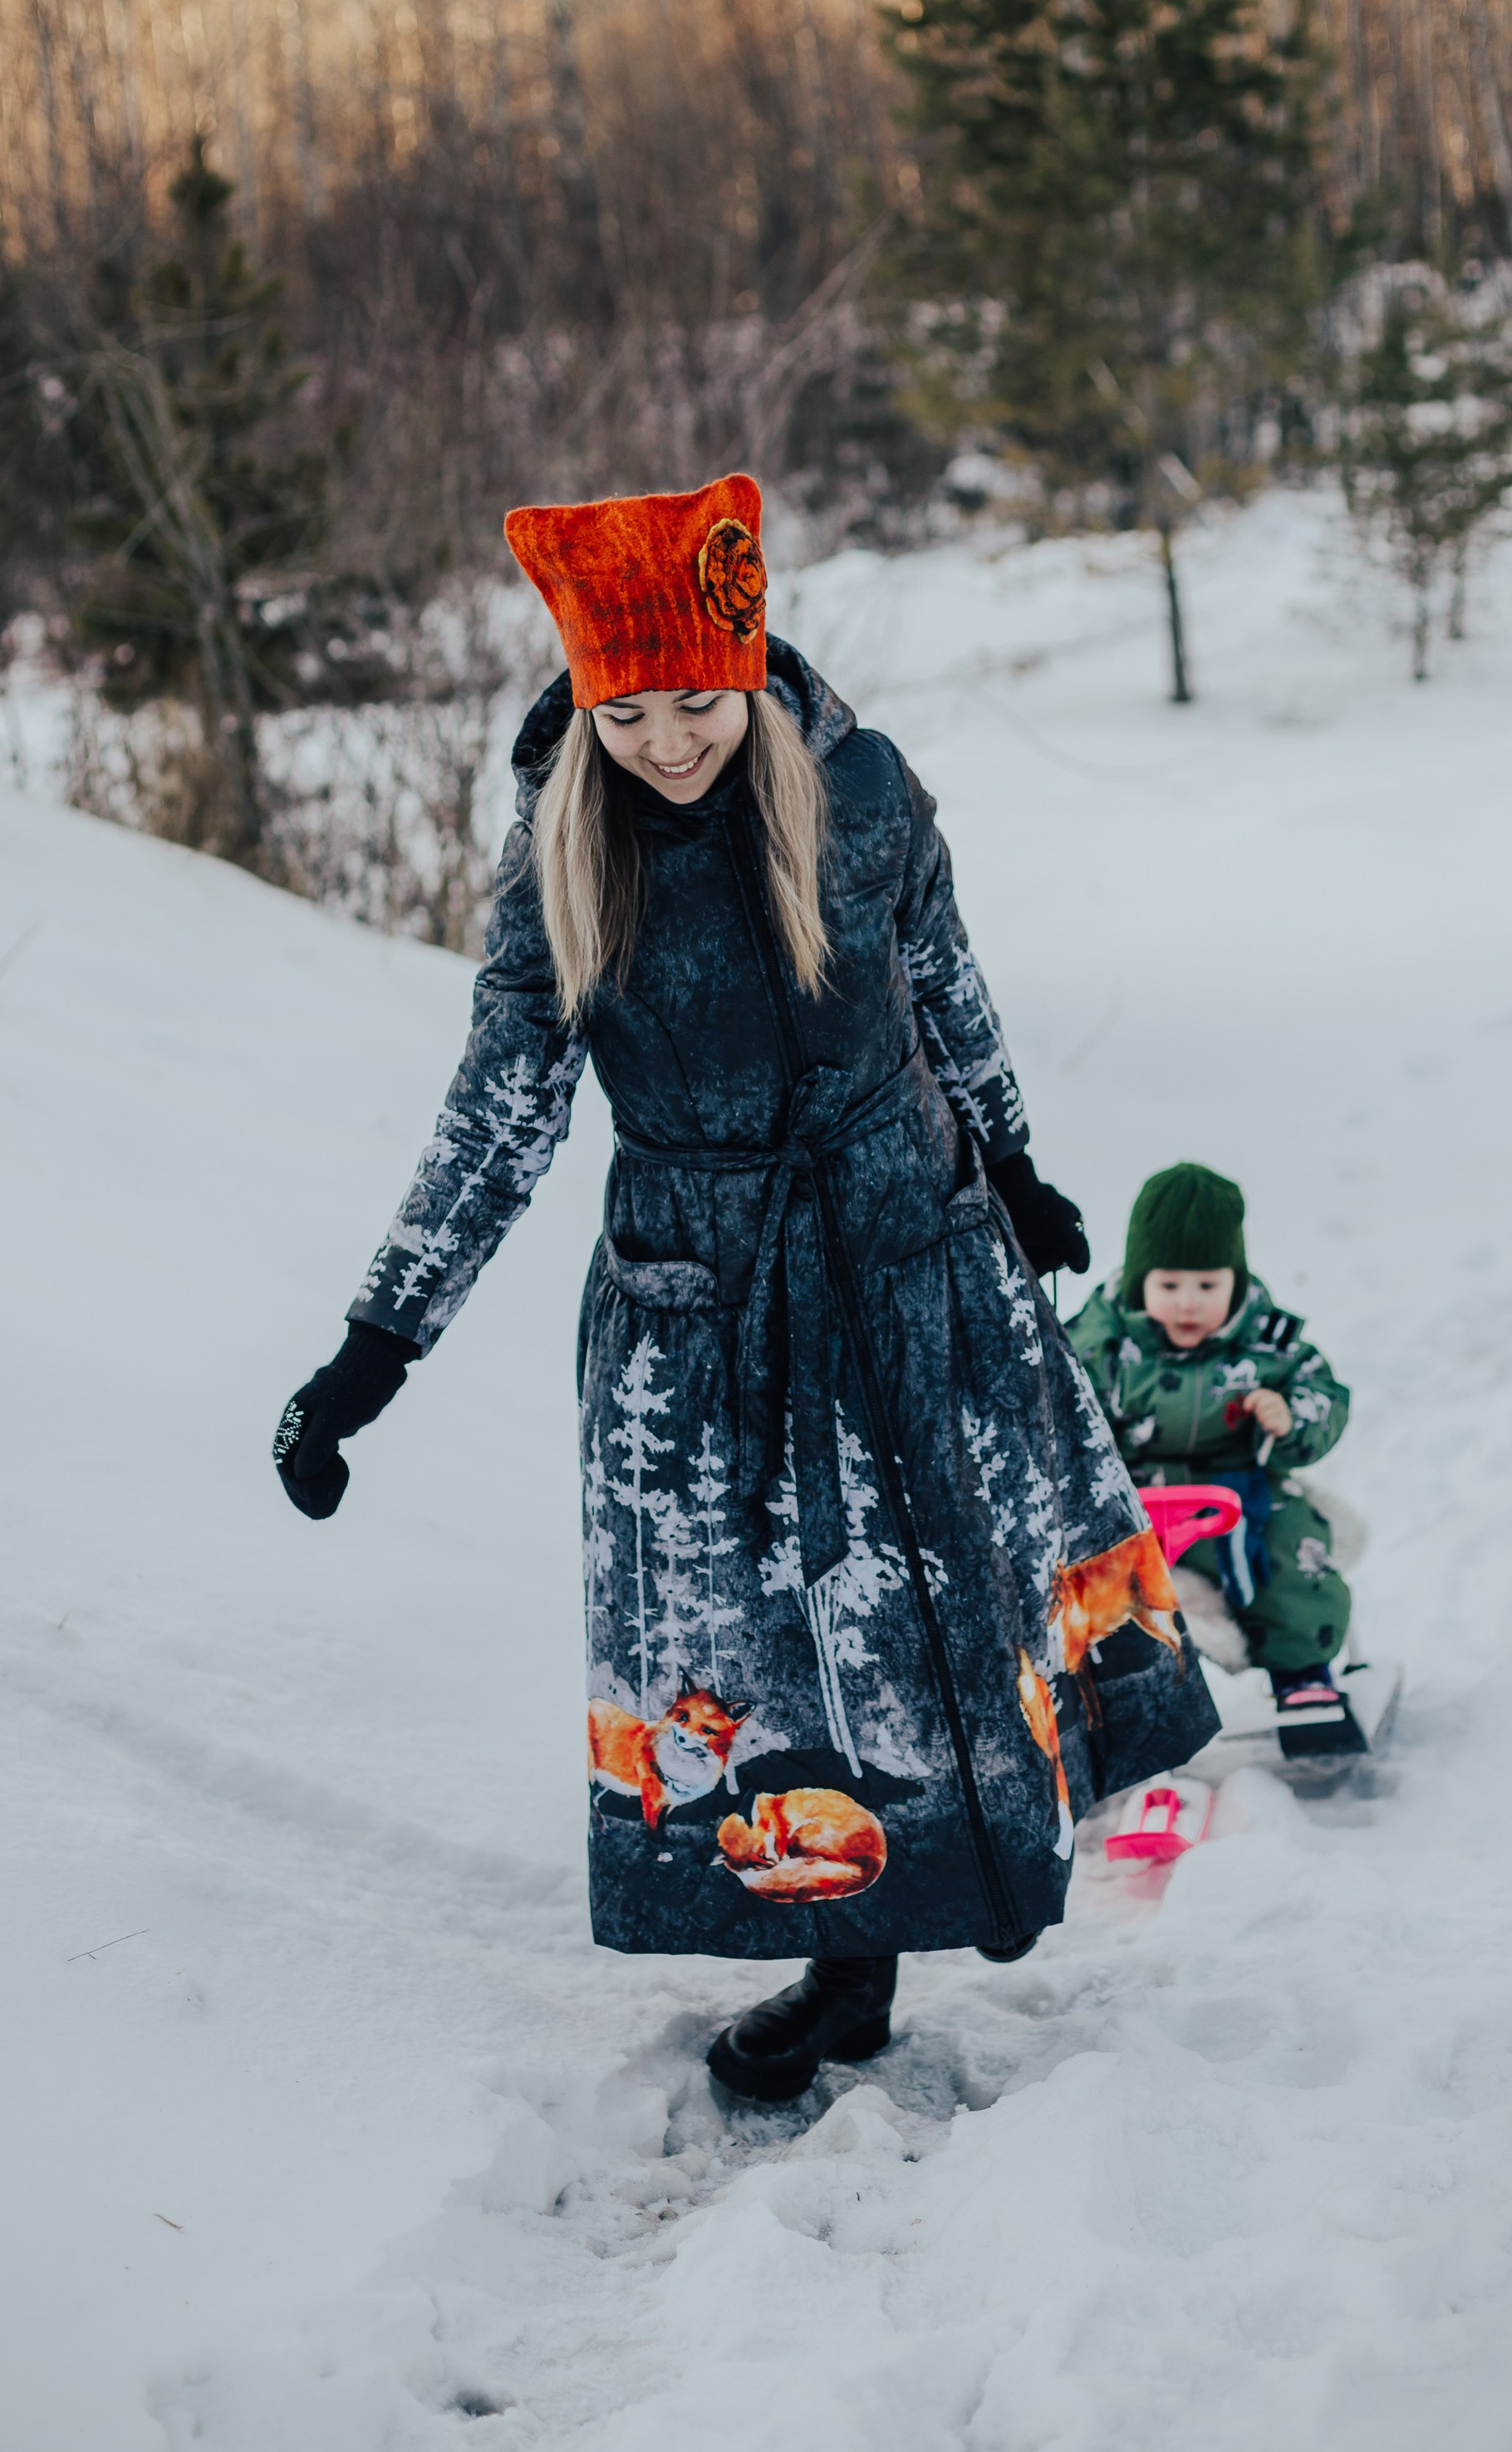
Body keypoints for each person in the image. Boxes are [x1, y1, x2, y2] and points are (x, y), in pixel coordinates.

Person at [273, 474, 1217, 2102]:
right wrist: (374, 1351)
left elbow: (945, 990)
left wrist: (1010, 1163)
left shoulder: (860, 794)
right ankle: (850, 1967)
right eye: (623, 710)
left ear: (750, 664)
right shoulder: (560, 860)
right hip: (703, 1313)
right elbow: (497, 1123)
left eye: (695, 702)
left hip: (912, 1253)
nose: (664, 739)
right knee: (789, 1662)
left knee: (962, 1603)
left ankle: (986, 1864)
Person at [1066, 1162, 1354, 1733]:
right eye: (1169, 1286)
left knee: (1291, 1552)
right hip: (1130, 1505)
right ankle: (1100, 1704)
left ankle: (1303, 1673)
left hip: (1237, 1497)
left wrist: (1289, 1414)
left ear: (1236, 1281)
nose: (1189, 1303)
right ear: (1139, 1281)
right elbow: (1055, 1400)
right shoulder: (1099, 1345)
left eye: (1207, 1286)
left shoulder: (1267, 1344)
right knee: (1090, 1590)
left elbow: (1325, 1392)